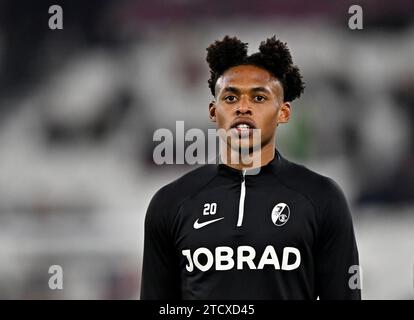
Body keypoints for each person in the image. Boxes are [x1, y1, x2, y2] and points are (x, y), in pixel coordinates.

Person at [140, 35, 361, 300]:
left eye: (258, 98)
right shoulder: (170, 203)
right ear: (214, 111)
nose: (243, 108)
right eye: (231, 98)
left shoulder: (322, 197)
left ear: (283, 112)